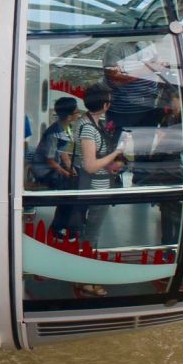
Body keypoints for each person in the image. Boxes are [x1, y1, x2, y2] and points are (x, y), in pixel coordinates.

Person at [69, 82, 128, 298]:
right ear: (104, 104)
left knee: (91, 233)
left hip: (98, 185)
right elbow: (90, 165)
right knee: (91, 233)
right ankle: (86, 279)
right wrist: (117, 152)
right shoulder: (88, 128)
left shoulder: (91, 122)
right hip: (95, 189)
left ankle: (83, 273)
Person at [32, 96, 80, 238]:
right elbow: (50, 159)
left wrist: (71, 168)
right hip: (44, 170)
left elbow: (63, 151)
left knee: (78, 182)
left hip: (55, 167)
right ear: (69, 115)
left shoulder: (67, 128)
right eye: (77, 112)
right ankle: (58, 226)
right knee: (69, 192)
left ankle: (70, 223)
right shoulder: (54, 132)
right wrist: (65, 172)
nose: (78, 114)